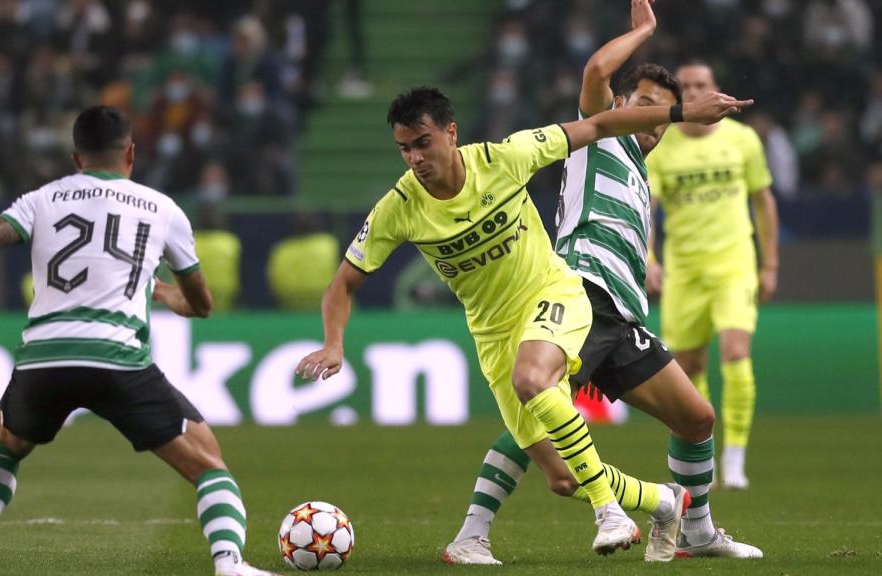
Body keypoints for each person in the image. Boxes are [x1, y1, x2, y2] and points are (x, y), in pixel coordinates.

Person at [294, 77, 750, 555]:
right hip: (494, 332)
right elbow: (343, 282)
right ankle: (660, 500)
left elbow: (596, 124)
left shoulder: (504, 157)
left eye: (423, 144)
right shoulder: (400, 207)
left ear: (451, 133)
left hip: (554, 294)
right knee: (559, 475)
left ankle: (608, 512)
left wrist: (681, 115)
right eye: (404, 149)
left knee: (533, 380)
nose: (414, 159)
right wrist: (333, 341)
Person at [0, 106, 278, 576]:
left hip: (44, 360)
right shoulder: (163, 209)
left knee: (6, 445)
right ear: (132, 154)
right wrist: (158, 289)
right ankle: (229, 564)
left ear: (77, 158)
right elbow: (201, 303)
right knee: (208, 464)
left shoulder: (41, 200)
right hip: (117, 358)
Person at [443, 0, 763, 563]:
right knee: (542, 404)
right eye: (642, 105)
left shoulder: (644, 168)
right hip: (580, 294)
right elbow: (594, 74)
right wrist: (644, 32)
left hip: (622, 314)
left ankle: (696, 530)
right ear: (621, 106)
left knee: (696, 416)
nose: (651, 120)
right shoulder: (600, 136)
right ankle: (472, 533)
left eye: (658, 113)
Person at [646, 60, 779, 490]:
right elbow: (645, 207)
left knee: (737, 352)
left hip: (734, 263)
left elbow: (763, 202)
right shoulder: (662, 146)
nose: (695, 90)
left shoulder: (742, 140)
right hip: (684, 269)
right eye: (686, 86)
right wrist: (648, 258)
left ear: (716, 88)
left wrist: (769, 263)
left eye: (702, 83)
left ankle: (736, 461)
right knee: (688, 368)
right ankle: (705, 453)